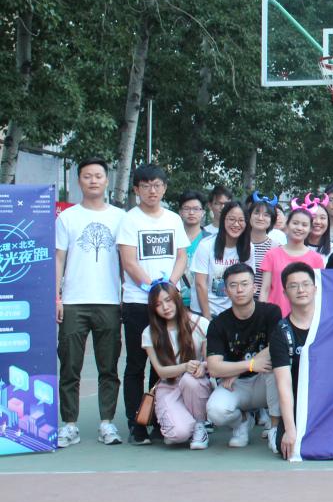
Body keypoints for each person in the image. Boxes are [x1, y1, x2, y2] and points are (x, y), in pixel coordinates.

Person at [116, 163, 189, 445]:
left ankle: (159, 419)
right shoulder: (129, 220)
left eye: (157, 185)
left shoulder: (173, 219)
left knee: (164, 364)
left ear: (164, 188)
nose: (152, 191)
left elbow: (181, 257)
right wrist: (152, 289)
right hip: (138, 303)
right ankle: (137, 424)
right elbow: (129, 261)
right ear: (137, 189)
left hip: (169, 303)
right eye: (145, 186)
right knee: (136, 363)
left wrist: (169, 286)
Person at [56, 158, 125, 448]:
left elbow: (126, 260)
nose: (93, 180)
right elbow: (59, 259)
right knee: (69, 366)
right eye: (87, 176)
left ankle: (106, 423)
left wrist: (125, 297)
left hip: (109, 302)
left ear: (107, 180)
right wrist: (56, 297)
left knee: (108, 367)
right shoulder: (67, 218)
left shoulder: (121, 217)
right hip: (74, 302)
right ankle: (69, 425)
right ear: (79, 181)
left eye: (98, 176)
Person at [206, 264, 282, 449]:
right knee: (215, 411)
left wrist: (236, 370)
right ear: (226, 291)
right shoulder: (218, 323)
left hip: (263, 381)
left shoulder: (271, 312)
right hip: (235, 385)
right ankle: (242, 421)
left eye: (244, 284)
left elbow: (275, 347)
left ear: (254, 287)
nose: (239, 290)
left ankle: (275, 428)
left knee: (276, 369)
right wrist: (248, 366)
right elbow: (214, 368)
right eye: (233, 285)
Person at [141, 281, 212, 449]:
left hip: (196, 382)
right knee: (178, 434)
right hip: (169, 386)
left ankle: (200, 425)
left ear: (177, 298)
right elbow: (161, 371)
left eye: (168, 300)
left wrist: (203, 366)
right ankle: (187, 425)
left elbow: (210, 359)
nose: (165, 307)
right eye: (158, 304)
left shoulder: (200, 323)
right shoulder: (149, 333)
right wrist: (185, 367)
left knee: (189, 381)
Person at [270, 262, 317, 458]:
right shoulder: (281, 332)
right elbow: (284, 384)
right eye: (293, 286)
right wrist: (290, 430)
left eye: (306, 284)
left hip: (330, 403)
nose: (301, 290)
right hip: (301, 403)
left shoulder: (330, 323)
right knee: (291, 449)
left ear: (315, 289)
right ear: (284, 293)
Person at [259, 209, 325, 317]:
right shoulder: (271, 255)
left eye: (304, 225)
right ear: (287, 224)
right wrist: (261, 316)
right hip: (274, 316)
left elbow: (318, 293)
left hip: (304, 318)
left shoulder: (316, 259)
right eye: (295, 223)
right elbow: (265, 289)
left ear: (310, 229)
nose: (299, 228)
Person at [191, 201, 251, 319]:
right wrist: (207, 317)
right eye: (231, 219)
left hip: (233, 312)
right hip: (205, 311)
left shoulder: (249, 248)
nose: (236, 224)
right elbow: (200, 284)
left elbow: (248, 281)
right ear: (223, 220)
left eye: (241, 220)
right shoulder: (206, 245)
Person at [178, 190, 210, 311]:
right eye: (186, 209)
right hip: (176, 300)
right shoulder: (173, 238)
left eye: (196, 209)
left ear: (203, 212)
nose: (191, 213)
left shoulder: (210, 240)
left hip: (202, 301)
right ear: (180, 212)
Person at [247, 195, 280, 297]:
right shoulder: (239, 243)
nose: (260, 218)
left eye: (266, 215)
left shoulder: (277, 248)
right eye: (256, 213)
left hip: (264, 303)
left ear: (272, 220)